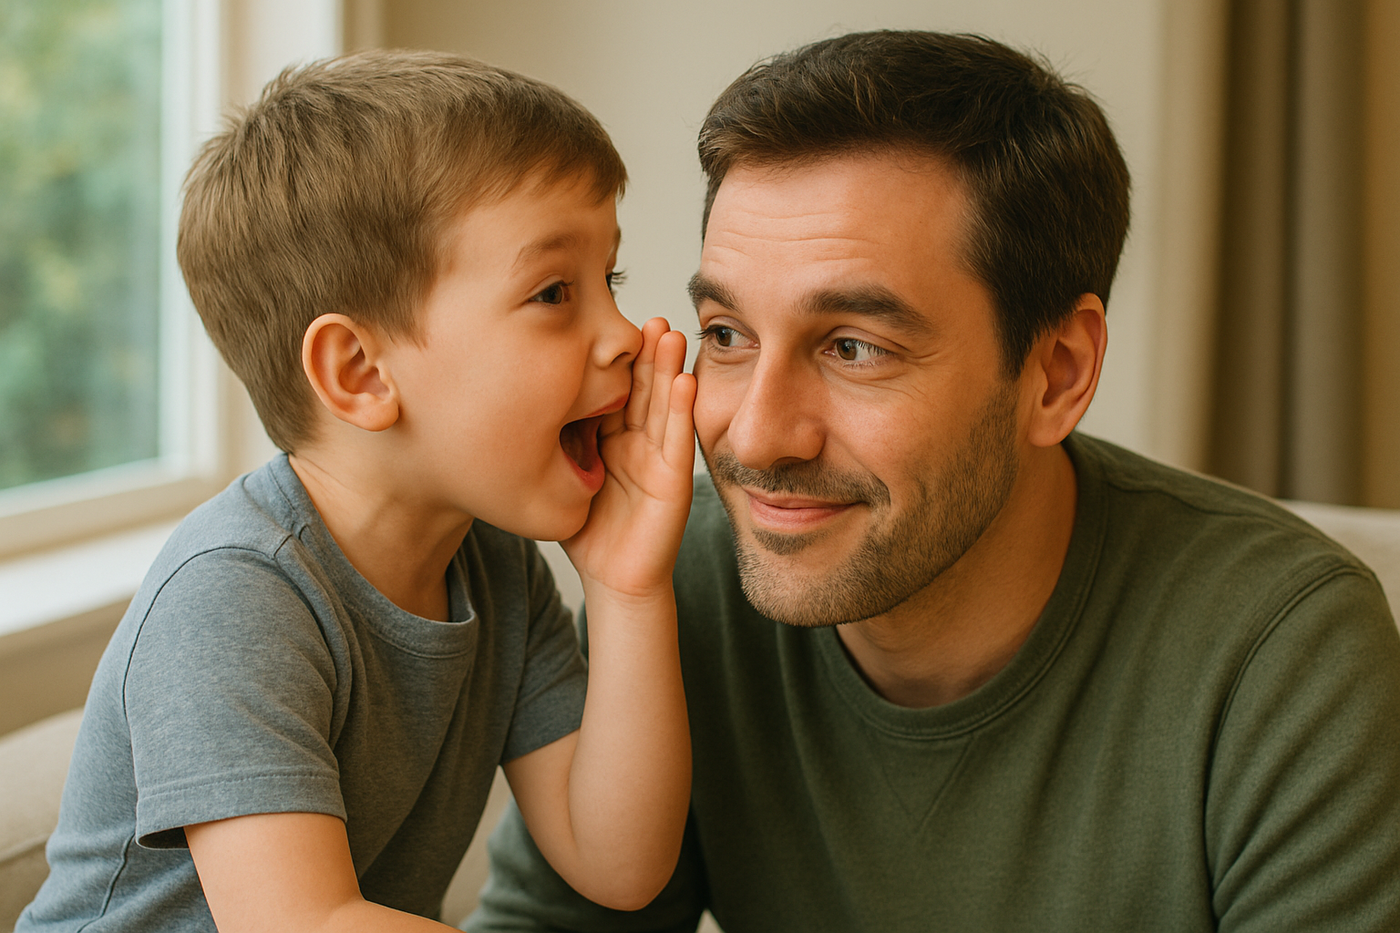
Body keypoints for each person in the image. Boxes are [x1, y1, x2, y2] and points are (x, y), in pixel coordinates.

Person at [468, 30, 1400, 932]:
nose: (755, 433)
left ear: (1058, 373)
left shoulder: (1282, 651)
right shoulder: (682, 584)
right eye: (726, 336)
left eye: (855, 347)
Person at [18, 49, 697, 932]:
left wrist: (629, 589)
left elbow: (620, 865)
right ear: (361, 371)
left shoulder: (496, 567)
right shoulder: (233, 595)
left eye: (611, 281)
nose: (626, 336)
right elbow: (306, 921)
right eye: (554, 292)